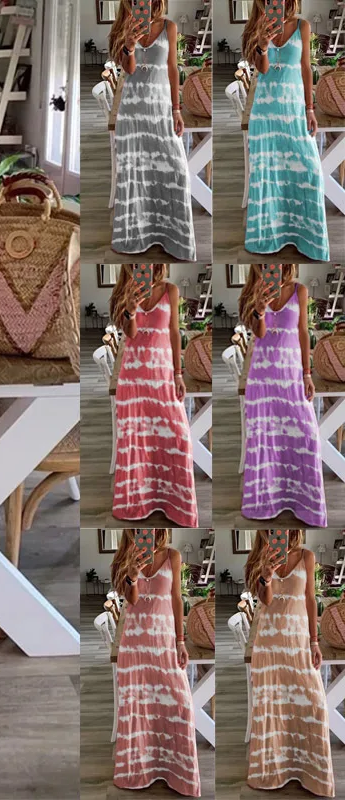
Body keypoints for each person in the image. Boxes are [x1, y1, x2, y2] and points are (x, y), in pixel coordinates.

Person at [111, 529, 201, 796]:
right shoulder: (122, 558)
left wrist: (181, 641)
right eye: (140, 528)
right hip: (135, 648)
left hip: (164, 643)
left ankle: (178, 773)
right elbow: (132, 600)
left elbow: (176, 599)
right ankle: (139, 772)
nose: (146, 531)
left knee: (181, 706)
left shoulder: (172, 556)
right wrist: (132, 575)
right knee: (138, 710)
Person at [245, 531, 334, 796]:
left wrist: (314, 642)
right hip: (269, 647)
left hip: (298, 643)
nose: (279, 532)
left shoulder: (306, 556)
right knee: (272, 709)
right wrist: (266, 576)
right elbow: (266, 600)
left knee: (315, 705)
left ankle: (312, 773)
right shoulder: (256, 559)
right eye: (273, 528)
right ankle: (273, 772)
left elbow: (310, 599)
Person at [108, 266, 199, 526]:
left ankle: (177, 504)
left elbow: (174, 333)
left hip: (162, 376)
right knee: (137, 442)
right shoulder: (123, 292)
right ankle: (138, 503)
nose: (144, 267)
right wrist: (130, 309)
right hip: (133, 381)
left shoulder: (170, 290)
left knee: (180, 439)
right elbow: (132, 334)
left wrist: (178, 374)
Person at [107, 0, 196, 261]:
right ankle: (136, 236)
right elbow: (130, 70)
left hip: (161, 109)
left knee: (177, 172)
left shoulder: (169, 27)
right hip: (133, 115)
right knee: (136, 176)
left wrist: (177, 109)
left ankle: (174, 238)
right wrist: (129, 46)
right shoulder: (122, 28)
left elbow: (172, 69)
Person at [238, 266, 326, 526]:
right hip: (262, 381)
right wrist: (259, 310)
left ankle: (306, 503)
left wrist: (307, 374)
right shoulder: (253, 292)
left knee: (308, 437)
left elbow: (303, 333)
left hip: (291, 376)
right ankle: (267, 502)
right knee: (266, 441)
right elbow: (260, 334)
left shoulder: (299, 290)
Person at [242, 1, 329, 261]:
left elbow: (305, 68)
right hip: (265, 117)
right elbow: (263, 69)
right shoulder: (255, 28)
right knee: (269, 176)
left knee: (311, 172)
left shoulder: (302, 26)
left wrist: (310, 108)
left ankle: (308, 238)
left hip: (294, 111)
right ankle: (271, 236)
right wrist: (262, 45)